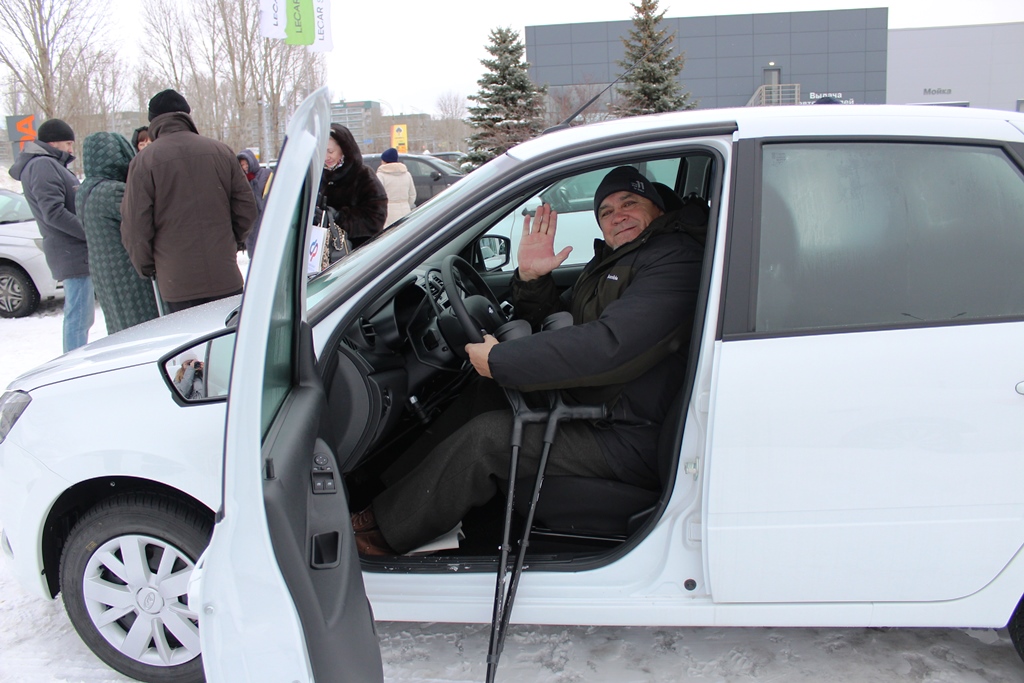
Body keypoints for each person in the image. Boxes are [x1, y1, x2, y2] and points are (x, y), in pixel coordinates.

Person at [352, 166, 705, 555]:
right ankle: (380, 498)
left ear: (656, 209)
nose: (617, 215)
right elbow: (567, 322)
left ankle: (381, 536)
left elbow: (610, 345)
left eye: (629, 203)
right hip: (600, 404)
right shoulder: (618, 260)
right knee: (485, 393)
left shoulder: (673, 259)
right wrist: (533, 280)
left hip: (628, 434)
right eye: (605, 212)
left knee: (488, 438)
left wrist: (503, 359)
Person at [121, 89, 258, 313]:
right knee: (228, 343)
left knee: (190, 346)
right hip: (224, 273)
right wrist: (231, 241)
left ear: (153, 121)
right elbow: (246, 208)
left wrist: (147, 266)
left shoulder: (143, 162)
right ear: (186, 115)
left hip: (176, 280)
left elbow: (136, 226)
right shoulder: (221, 152)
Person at [8, 118, 93, 352]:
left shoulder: (45, 164)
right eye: (68, 143)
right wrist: (88, 234)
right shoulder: (43, 165)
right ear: (53, 142)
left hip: (72, 250)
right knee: (78, 316)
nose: (70, 149)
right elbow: (53, 212)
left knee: (83, 316)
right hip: (72, 251)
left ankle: (76, 359)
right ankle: (74, 365)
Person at [77, 132, 160, 334]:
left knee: (119, 325)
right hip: (127, 270)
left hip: (104, 271)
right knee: (142, 326)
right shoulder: (113, 191)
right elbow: (147, 219)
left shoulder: (84, 189)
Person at [317, 123, 387, 251]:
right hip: (321, 254)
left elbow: (375, 219)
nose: (326, 157)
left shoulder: (363, 176)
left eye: (330, 151)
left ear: (344, 149)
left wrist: (337, 218)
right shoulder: (317, 177)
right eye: (322, 152)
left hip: (357, 254)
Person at [236, 149, 272, 255]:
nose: (244, 167)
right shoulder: (241, 181)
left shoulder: (266, 174)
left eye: (246, 163)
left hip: (266, 220)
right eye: (241, 165)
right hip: (251, 225)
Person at [375, 147, 417, 228]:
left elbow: (377, 196)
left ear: (385, 161)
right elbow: (412, 194)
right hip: (405, 211)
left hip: (388, 213)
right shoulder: (407, 174)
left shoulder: (381, 175)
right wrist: (406, 204)